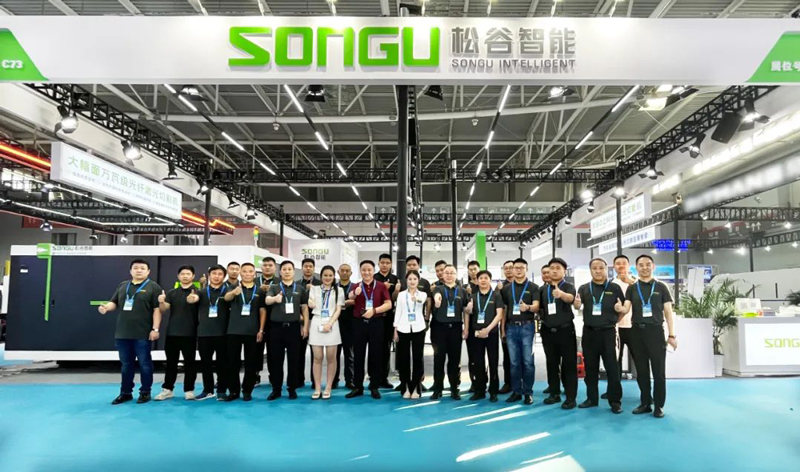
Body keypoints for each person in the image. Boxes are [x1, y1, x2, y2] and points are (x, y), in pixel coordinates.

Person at [98, 259, 162, 405]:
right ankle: (125, 393)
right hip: (123, 333)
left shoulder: (153, 287)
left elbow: (157, 310)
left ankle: (145, 392)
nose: (139, 270)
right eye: (136, 268)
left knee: (145, 364)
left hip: (143, 333)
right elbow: (114, 302)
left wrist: (155, 329)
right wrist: (106, 307)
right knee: (126, 365)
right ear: (130, 271)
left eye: (142, 268)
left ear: (148, 271)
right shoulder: (123, 286)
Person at [621, 255, 678, 418]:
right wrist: (619, 308)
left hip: (655, 332)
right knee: (641, 370)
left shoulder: (661, 287)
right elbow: (626, 308)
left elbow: (668, 313)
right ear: (636, 268)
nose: (644, 267)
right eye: (641, 265)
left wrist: (671, 335)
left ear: (653, 267)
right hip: (636, 332)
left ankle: (659, 406)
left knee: (658, 371)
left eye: (648, 264)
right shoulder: (632, 288)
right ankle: (645, 403)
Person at [573, 258, 625, 414]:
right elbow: (577, 305)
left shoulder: (615, 288)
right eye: (594, 268)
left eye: (601, 268)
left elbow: (623, 309)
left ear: (606, 269)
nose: (597, 271)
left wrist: (616, 317)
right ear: (590, 270)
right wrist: (576, 305)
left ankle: (615, 401)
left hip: (608, 333)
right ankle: (592, 399)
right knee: (590, 368)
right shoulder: (584, 288)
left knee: (612, 368)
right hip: (589, 333)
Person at [535, 257, 578, 409]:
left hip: (565, 330)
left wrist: (561, 295)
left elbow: (571, 298)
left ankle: (571, 397)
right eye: (551, 268)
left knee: (569, 364)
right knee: (551, 363)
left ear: (564, 271)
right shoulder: (543, 289)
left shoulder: (568, 286)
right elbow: (538, 308)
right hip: (547, 330)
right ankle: (554, 393)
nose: (554, 271)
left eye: (558, 268)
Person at [346, 260, 392, 400]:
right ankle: (358, 387)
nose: (366, 272)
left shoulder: (381, 286)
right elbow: (349, 297)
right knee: (358, 355)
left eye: (369, 270)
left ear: (373, 270)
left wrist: (374, 310)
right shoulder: (356, 285)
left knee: (376, 355)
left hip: (376, 323)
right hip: (359, 323)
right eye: (364, 270)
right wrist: (355, 293)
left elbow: (388, 304)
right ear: (360, 271)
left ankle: (374, 386)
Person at [155, 265, 199, 401]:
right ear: (178, 276)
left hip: (190, 333)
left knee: (190, 363)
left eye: (188, 274)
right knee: (171, 363)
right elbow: (164, 309)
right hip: (172, 333)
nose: (185, 276)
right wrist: (161, 302)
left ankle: (189, 390)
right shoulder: (172, 293)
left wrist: (194, 299)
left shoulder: (198, 292)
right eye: (182, 274)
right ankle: (167, 389)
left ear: (193, 276)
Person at [265, 261, 308, 400]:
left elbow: (304, 308)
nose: (287, 271)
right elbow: (267, 300)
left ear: (294, 272)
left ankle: (292, 388)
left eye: (290, 269)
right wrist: (275, 298)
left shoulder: (300, 288)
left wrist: (305, 326)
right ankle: (276, 389)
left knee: (294, 360)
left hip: (294, 328)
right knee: (276, 360)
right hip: (276, 328)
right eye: (284, 269)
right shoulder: (274, 287)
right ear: (280, 272)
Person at [222, 263, 264, 402]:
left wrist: (261, 329)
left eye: (250, 271)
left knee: (251, 363)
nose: (247, 274)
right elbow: (226, 298)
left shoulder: (259, 290)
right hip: (233, 330)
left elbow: (262, 311)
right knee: (232, 362)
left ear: (254, 273)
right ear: (240, 273)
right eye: (244, 271)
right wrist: (233, 293)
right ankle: (233, 391)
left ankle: (247, 390)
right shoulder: (232, 287)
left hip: (252, 331)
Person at [501, 258, 538, 405]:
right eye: (516, 267)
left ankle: (528, 392)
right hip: (510, 328)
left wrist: (527, 307)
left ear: (526, 269)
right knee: (514, 362)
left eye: (521, 267)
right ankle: (516, 391)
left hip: (527, 327)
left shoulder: (533, 287)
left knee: (528, 362)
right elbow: (504, 310)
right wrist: (502, 329)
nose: (518, 270)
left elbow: (536, 306)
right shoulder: (506, 289)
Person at [305, 265, 344, 400]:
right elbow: (311, 304)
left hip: (332, 323)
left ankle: (328, 387)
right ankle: (317, 388)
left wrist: (330, 323)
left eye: (330, 275)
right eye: (325, 275)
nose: (327, 278)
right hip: (317, 321)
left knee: (331, 357)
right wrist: (311, 303)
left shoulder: (339, 290)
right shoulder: (314, 289)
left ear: (334, 276)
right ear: (321, 276)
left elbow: (338, 310)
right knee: (317, 357)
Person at [430, 264, 469, 400]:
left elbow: (466, 311)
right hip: (439, 328)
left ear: (456, 275)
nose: (449, 275)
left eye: (452, 272)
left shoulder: (462, 291)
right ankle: (438, 388)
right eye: (446, 273)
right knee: (438, 359)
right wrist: (437, 300)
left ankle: (454, 388)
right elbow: (436, 296)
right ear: (442, 275)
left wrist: (466, 328)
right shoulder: (437, 288)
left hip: (456, 328)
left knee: (454, 360)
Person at [465, 270, 505, 402]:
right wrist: (468, 312)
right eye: (480, 278)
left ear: (490, 280)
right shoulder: (472, 296)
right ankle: (479, 390)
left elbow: (499, 315)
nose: (483, 280)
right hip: (476, 334)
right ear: (477, 281)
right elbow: (468, 314)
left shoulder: (496, 296)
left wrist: (487, 329)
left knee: (493, 362)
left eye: (485, 278)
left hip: (491, 333)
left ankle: (493, 391)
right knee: (478, 363)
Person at [194, 264, 229, 401]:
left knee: (222, 364)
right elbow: (193, 299)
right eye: (214, 273)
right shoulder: (201, 292)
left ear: (224, 276)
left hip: (223, 333)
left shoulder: (228, 291)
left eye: (220, 274)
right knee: (205, 363)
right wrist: (192, 298)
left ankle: (221, 390)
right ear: (209, 275)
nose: (216, 276)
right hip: (204, 333)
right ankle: (208, 390)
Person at [394, 270, 428, 399]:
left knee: (417, 358)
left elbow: (421, 301)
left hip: (418, 328)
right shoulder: (401, 295)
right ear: (406, 281)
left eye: (415, 279)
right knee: (404, 358)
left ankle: (416, 387)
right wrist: (395, 329)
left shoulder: (422, 294)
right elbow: (398, 312)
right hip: (403, 328)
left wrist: (416, 299)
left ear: (418, 281)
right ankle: (406, 387)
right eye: (410, 279)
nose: (412, 281)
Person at [611, 254, 636, 398]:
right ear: (614, 266)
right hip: (616, 328)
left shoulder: (637, 282)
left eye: (624, 263)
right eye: (618, 263)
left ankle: (645, 393)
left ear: (628, 265)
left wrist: (630, 282)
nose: (621, 266)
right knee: (615, 361)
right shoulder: (611, 284)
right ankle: (614, 391)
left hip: (634, 327)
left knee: (639, 360)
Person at [374, 253, 400, 389]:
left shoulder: (395, 279)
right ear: (378, 264)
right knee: (374, 348)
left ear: (391, 264)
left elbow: (397, 299)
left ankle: (384, 378)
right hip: (375, 317)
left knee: (386, 348)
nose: (385, 265)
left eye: (387, 263)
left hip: (390, 318)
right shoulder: (373, 278)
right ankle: (374, 377)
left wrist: (396, 290)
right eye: (382, 262)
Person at [298, 258, 322, 389]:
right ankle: (299, 380)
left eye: (310, 266)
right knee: (299, 351)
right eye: (305, 266)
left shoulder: (320, 284)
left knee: (316, 353)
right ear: (302, 268)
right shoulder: (296, 284)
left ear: (314, 268)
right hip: (300, 321)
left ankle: (315, 381)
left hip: (316, 320)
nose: (308, 268)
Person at [256, 257, 278, 388]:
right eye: (265, 265)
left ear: (275, 267)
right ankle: (255, 376)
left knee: (273, 351)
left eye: (270, 265)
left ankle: (273, 377)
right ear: (261, 267)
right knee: (256, 350)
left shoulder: (279, 282)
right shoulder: (254, 282)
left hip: (274, 321)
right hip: (256, 321)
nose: (267, 267)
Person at [334, 264, 356, 389]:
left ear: (351, 273)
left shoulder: (355, 287)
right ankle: (334, 380)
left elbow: (358, 302)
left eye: (347, 271)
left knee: (350, 355)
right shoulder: (333, 287)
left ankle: (350, 380)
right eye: (342, 270)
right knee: (334, 355)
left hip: (351, 325)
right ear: (338, 272)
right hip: (335, 324)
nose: (344, 273)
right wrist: (344, 303)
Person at [497, 260, 515, 394]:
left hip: (523, 325)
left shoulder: (524, 285)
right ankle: (508, 383)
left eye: (511, 267)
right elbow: (501, 309)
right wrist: (502, 329)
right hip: (506, 325)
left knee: (523, 358)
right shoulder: (501, 287)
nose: (508, 270)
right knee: (507, 356)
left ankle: (521, 383)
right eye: (506, 268)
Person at [539, 264, 553, 396]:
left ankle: (566, 384)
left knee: (565, 360)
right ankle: (552, 385)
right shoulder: (541, 290)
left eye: (548, 272)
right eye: (544, 273)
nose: (546, 275)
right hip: (546, 327)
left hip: (562, 328)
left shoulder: (563, 287)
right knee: (550, 358)